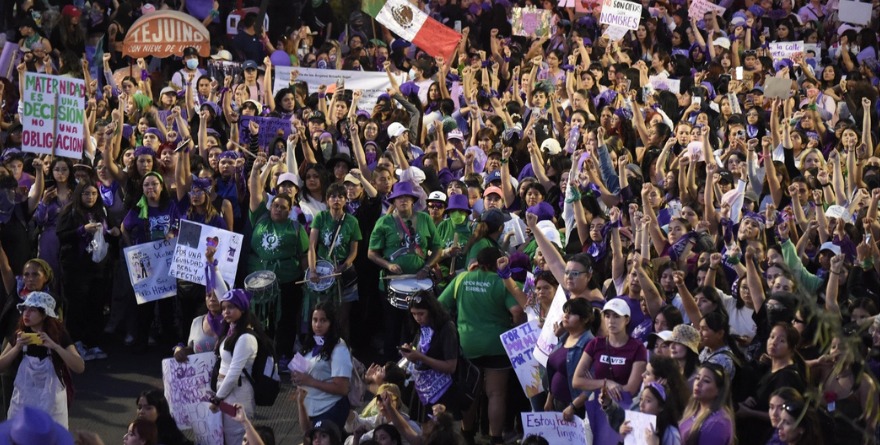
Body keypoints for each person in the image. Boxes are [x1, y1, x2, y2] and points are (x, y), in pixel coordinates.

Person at [438, 247, 522, 445]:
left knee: (470, 392)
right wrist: (516, 329)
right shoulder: (503, 282)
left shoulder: (461, 279)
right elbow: (517, 309)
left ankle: (467, 435)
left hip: (467, 344)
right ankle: (495, 437)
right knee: (496, 393)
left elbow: (440, 304)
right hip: (498, 344)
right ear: (497, 263)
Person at [369, 181, 441, 361]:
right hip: (390, 283)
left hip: (418, 284)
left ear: (412, 200)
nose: (403, 201)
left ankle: (413, 365)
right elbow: (371, 253)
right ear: (394, 201)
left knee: (415, 327)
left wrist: (427, 266)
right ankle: (390, 366)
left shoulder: (424, 219)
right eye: (399, 198)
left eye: (406, 197)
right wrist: (388, 265)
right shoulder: (384, 222)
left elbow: (438, 247)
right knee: (392, 327)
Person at [247, 155, 309, 359]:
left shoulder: (296, 227)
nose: (279, 209)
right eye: (276, 206)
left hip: (288, 281)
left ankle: (282, 356)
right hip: (259, 280)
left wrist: (306, 276)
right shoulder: (260, 218)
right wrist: (257, 169)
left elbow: (304, 254)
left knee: (286, 320)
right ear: (270, 206)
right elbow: (254, 191)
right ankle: (262, 355)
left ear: (289, 210)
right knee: (262, 319)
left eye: (283, 208)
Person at [0, 292, 84, 428]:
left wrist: (55, 346)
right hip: (23, 403)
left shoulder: (59, 334)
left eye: (32, 310)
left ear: (45, 314)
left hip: (51, 405)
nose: (26, 314)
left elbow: (79, 367)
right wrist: (17, 347)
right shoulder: (20, 334)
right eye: (25, 309)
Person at [57, 180, 118, 361]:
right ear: (79, 195)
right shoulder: (70, 212)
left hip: (98, 269)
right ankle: (74, 343)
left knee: (96, 306)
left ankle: (93, 343)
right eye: (86, 194)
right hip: (76, 269)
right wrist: (82, 230)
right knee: (76, 307)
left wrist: (115, 232)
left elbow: (112, 235)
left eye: (93, 193)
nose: (90, 197)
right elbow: (62, 236)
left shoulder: (103, 211)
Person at [307, 182, 362, 341]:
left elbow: (354, 251)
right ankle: (320, 348)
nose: (336, 200)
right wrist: (312, 270)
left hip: (344, 274)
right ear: (327, 200)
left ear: (345, 200)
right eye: (333, 196)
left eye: (340, 196)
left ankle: (344, 349)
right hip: (324, 272)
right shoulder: (321, 217)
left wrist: (344, 266)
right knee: (322, 315)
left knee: (343, 318)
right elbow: (312, 245)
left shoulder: (352, 221)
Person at [208, 289, 261, 445]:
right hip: (226, 393)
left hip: (238, 394)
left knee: (237, 439)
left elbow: (233, 373)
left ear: (242, 308)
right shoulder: (231, 332)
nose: (225, 312)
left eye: (231, 307)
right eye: (223, 308)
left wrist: (217, 399)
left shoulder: (246, 338)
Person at [573, 299, 648, 406]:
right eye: (607, 316)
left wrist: (606, 394)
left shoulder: (637, 347)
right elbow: (576, 381)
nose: (611, 321)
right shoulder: (595, 344)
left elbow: (631, 389)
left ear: (626, 320)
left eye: (616, 316)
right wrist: (606, 383)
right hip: (597, 405)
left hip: (623, 407)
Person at [399, 291, 458, 421]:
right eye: (414, 314)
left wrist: (420, 357)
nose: (417, 318)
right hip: (421, 389)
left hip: (441, 391)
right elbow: (420, 350)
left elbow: (451, 366)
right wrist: (410, 351)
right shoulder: (422, 327)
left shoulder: (447, 328)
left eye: (421, 314)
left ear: (431, 311)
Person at [293, 303, 353, 429]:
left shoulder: (338, 347)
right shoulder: (310, 343)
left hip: (330, 408)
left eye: (323, 320)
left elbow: (342, 388)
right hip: (309, 409)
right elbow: (295, 371)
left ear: (331, 323)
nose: (318, 325)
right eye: (315, 320)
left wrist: (310, 381)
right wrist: (295, 375)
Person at [544, 298, 594, 419]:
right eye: (565, 311)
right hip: (557, 402)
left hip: (576, 409)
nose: (566, 316)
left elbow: (592, 384)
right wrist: (549, 399)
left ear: (585, 319)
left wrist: (573, 406)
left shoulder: (590, 343)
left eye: (572, 313)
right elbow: (555, 370)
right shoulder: (564, 337)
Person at [680, 363, 735, 445]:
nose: (698, 384)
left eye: (706, 381)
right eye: (697, 378)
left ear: (719, 390)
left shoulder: (717, 424)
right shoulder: (694, 409)